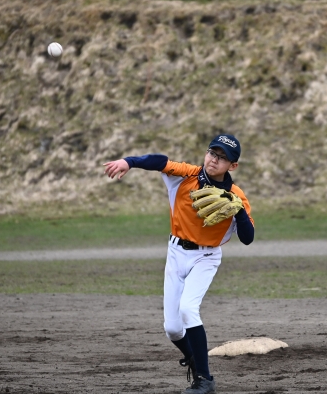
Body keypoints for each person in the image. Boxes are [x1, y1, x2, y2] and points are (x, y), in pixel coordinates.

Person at [103, 134, 255, 394]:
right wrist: (129, 162)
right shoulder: (187, 175)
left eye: (222, 158)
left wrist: (238, 210)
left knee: (188, 308)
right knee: (173, 329)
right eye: (212, 153)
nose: (214, 160)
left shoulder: (235, 196)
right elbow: (159, 162)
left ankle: (204, 379)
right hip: (175, 253)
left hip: (206, 257)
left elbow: (248, 238)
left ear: (233, 166)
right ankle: (195, 358)